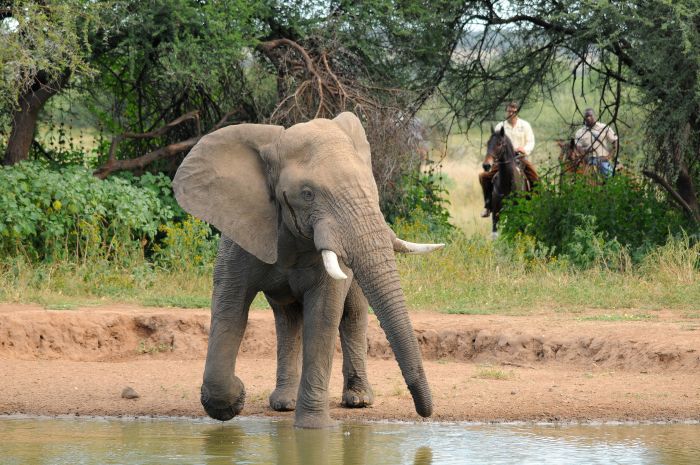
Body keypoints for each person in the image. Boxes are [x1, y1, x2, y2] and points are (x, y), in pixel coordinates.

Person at [478, 101, 539, 218]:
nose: (511, 113)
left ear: (517, 111)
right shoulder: (500, 126)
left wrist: (524, 149)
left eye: (513, 110)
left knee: (535, 177)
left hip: (520, 158)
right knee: (484, 177)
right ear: (506, 111)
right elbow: (494, 143)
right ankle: (488, 206)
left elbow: (531, 141)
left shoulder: (525, 125)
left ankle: (535, 204)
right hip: (503, 161)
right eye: (509, 110)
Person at [573, 108, 618, 177]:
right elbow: (578, 147)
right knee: (577, 179)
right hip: (587, 160)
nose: (588, 118)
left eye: (590, 116)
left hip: (602, 160)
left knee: (610, 179)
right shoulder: (579, 132)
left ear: (595, 116)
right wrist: (585, 152)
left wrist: (609, 156)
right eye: (586, 116)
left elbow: (615, 141)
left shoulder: (604, 127)